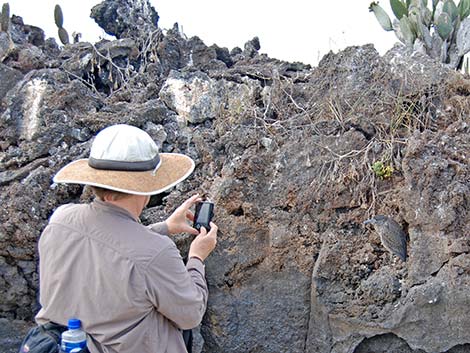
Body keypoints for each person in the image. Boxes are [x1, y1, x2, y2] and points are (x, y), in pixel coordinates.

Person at [34, 124, 218, 353]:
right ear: (148, 188)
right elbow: (191, 314)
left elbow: (110, 248)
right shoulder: (157, 252)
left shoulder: (60, 219)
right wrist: (196, 258)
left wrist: (165, 227)